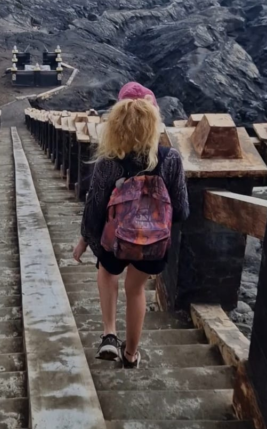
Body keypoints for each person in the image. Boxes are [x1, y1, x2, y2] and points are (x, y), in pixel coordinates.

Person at [73, 94, 189, 369]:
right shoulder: (170, 159)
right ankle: (131, 355)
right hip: (152, 245)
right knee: (136, 289)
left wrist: (86, 243)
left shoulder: (109, 163)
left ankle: (109, 334)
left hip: (115, 242)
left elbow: (94, 210)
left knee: (107, 273)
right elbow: (182, 211)